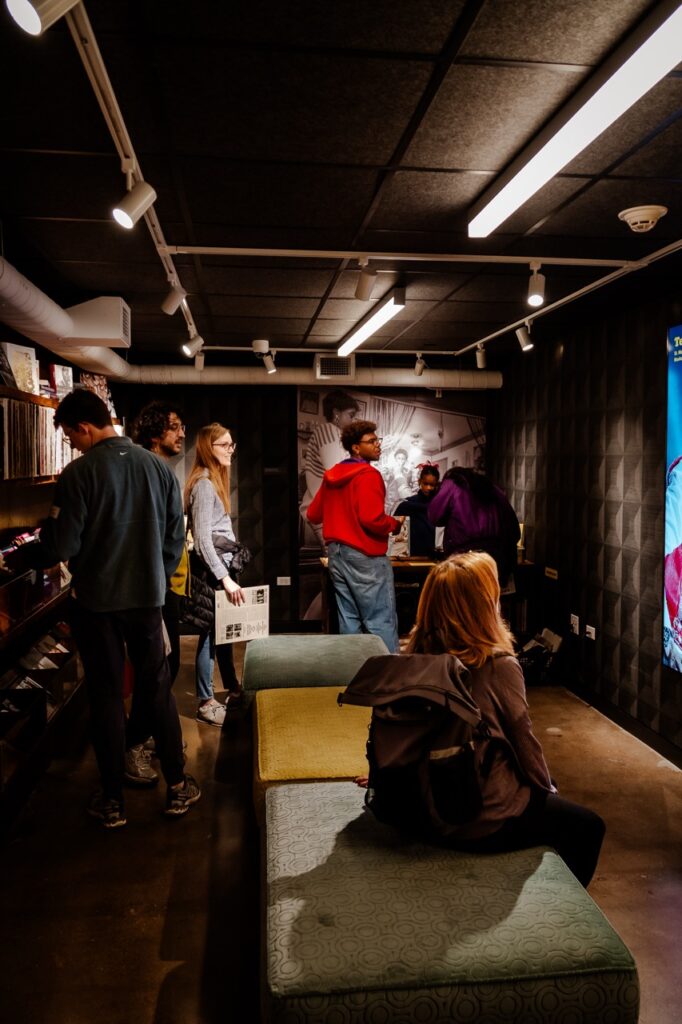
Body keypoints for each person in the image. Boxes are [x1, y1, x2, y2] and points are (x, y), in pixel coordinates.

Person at [23, 389, 199, 828]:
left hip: (96, 604)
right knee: (157, 689)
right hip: (147, 602)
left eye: (69, 435)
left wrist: (27, 555)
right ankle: (177, 787)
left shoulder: (78, 474)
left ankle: (113, 801)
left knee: (105, 694)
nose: (72, 444)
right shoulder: (159, 469)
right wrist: (154, 579)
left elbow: (63, 545)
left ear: (84, 426)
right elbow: (175, 540)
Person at [404, 552, 605, 887]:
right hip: (477, 815)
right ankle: (558, 910)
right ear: (482, 605)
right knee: (589, 827)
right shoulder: (497, 666)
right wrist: (548, 791)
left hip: (421, 808)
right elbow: (523, 742)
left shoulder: (413, 657)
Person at [307, 419, 404, 653]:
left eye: (377, 440)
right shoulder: (368, 475)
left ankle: (354, 677)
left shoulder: (332, 475)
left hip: (337, 555)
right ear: (356, 448)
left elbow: (313, 514)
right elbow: (371, 519)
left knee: (348, 619)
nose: (378, 445)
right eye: (371, 441)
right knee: (379, 619)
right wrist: (394, 523)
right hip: (365, 555)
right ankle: (389, 679)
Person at [184, 422, 245, 727]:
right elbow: (203, 539)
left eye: (232, 444)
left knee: (224, 632)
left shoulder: (213, 481)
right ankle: (206, 701)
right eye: (225, 445)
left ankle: (232, 688)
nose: (231, 450)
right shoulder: (204, 485)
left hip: (220, 568)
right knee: (209, 635)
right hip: (213, 572)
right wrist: (225, 577)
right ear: (210, 448)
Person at [132, 400, 187, 684]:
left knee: (162, 663)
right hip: (157, 586)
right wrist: (160, 576)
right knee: (163, 664)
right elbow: (169, 534)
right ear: (154, 434)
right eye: (174, 428)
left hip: (161, 584)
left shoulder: (157, 470)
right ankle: (145, 727)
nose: (182, 434)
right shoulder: (154, 472)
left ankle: (146, 725)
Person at [428, 467, 520, 586]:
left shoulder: (452, 484)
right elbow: (514, 530)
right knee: (490, 602)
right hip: (498, 559)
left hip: (465, 559)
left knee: (464, 602)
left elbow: (434, 515)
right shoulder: (492, 487)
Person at [299, 389, 359, 547]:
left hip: (327, 511)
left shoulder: (335, 433)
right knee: (337, 562)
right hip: (325, 511)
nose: (353, 421)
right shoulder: (328, 430)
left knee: (337, 563)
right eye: (351, 415)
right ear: (336, 413)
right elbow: (336, 473)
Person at [393, 464, 440, 556]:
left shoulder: (440, 506)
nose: (428, 488)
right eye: (425, 484)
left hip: (435, 555)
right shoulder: (407, 505)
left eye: (432, 485)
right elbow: (395, 534)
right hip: (410, 555)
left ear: (437, 484)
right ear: (419, 482)